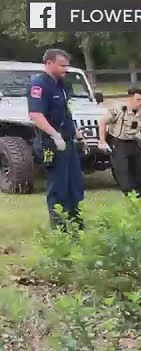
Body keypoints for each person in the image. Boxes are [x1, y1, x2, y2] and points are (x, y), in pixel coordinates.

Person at [26, 48, 84, 231]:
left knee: (74, 186)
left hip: (68, 142)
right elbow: (35, 114)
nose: (66, 69)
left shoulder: (62, 84)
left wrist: (75, 132)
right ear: (49, 63)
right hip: (52, 143)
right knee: (58, 187)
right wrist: (54, 134)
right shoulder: (39, 85)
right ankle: (60, 229)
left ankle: (76, 225)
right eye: (62, 65)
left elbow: (66, 112)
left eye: (67, 65)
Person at [101, 87, 141, 201]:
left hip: (133, 140)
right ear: (130, 99)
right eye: (138, 100)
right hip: (117, 141)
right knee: (122, 170)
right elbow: (102, 122)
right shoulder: (119, 109)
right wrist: (102, 141)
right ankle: (131, 195)